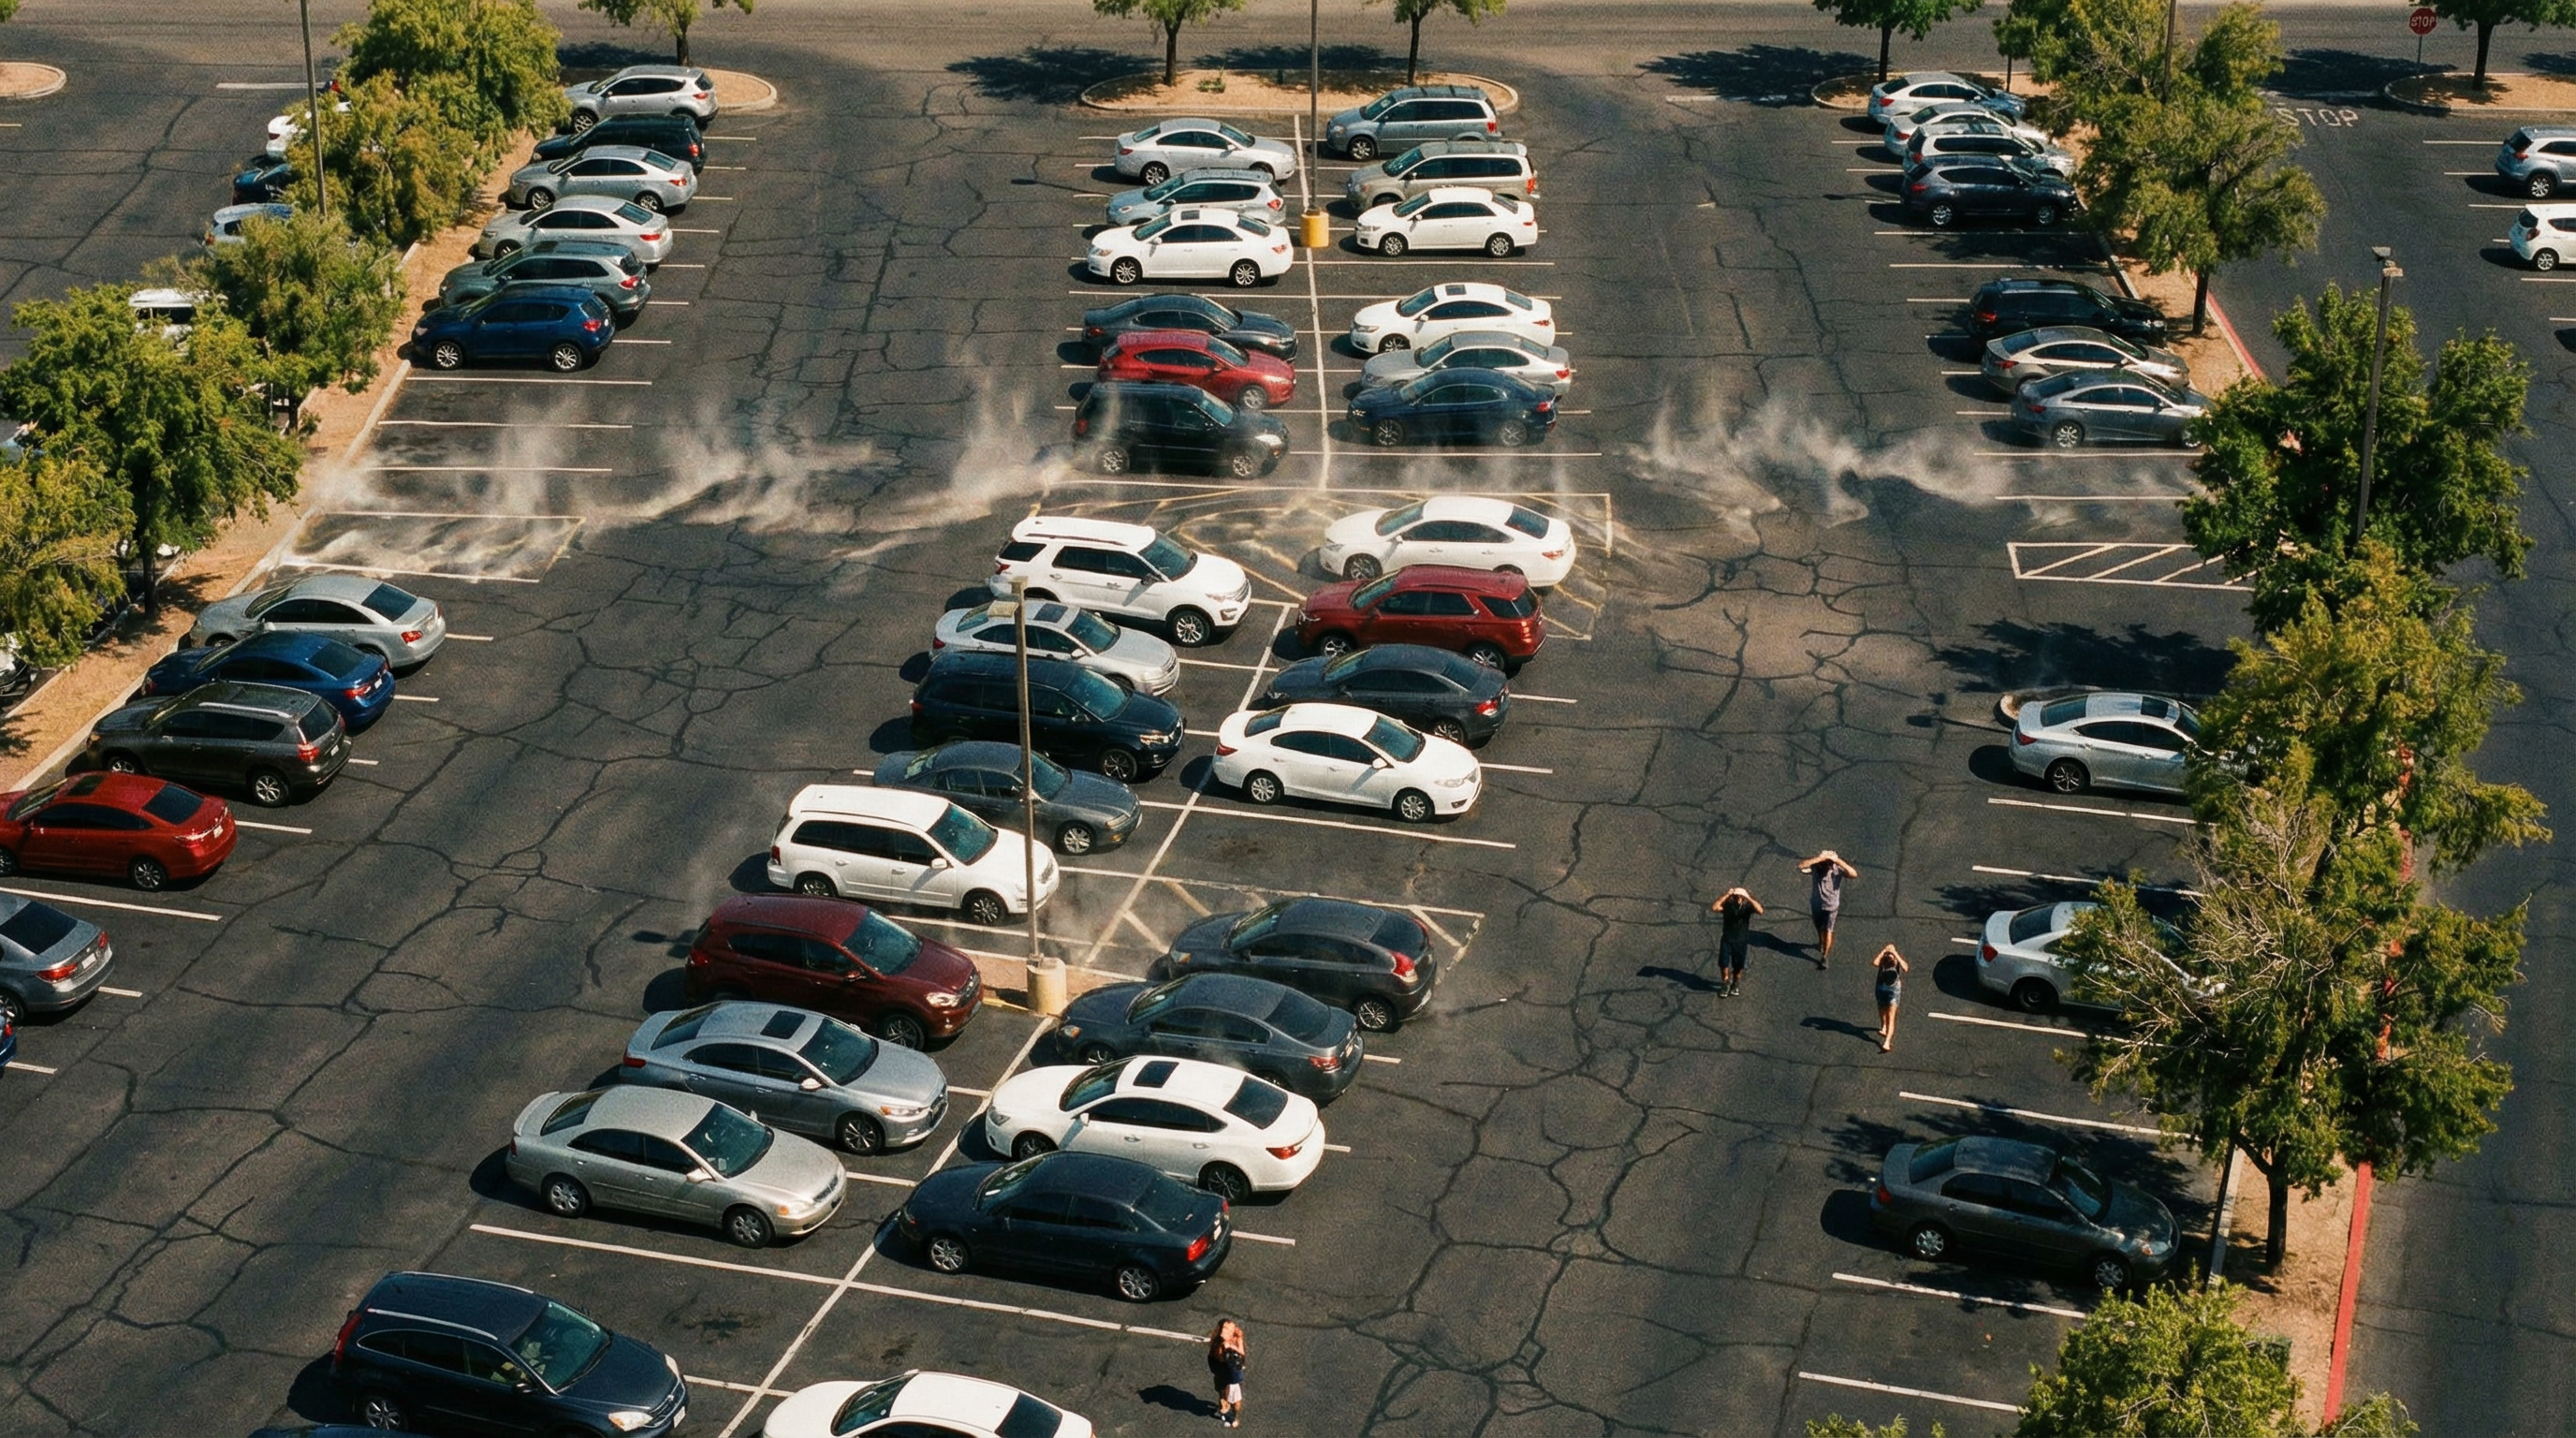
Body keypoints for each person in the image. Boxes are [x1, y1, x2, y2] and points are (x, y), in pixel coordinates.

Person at [1797, 850, 1858, 965]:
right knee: (1818, 926)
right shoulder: (1816, 867)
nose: (1826, 864)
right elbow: (1801, 866)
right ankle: (1821, 942)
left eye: (1828, 862)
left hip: (1831, 906)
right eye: (1825, 862)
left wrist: (1837, 860)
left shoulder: (1837, 870)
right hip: (1816, 904)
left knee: (1828, 929)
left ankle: (1824, 956)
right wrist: (1819, 858)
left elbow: (1853, 874)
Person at [1708, 886, 1764, 995]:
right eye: (1736, 896)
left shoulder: (1747, 907)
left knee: (1738, 966)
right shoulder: (1729, 905)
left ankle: (1735, 983)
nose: (1738, 898)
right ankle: (1725, 982)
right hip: (1727, 938)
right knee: (1723, 963)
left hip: (1741, 940)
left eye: (1740, 896)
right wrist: (1727, 894)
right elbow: (1715, 907)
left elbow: (1760, 911)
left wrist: (1748, 897)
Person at [1207, 1318, 1246, 1428]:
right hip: (1220, 1371)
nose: (1225, 1331)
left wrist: (1231, 1347)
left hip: (1233, 1375)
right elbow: (1216, 1357)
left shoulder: (1236, 1339)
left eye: (1228, 1329)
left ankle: (1235, 1415)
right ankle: (1222, 1401)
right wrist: (1223, 1346)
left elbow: (1242, 1353)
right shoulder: (1218, 1343)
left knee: (1236, 1401)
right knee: (1221, 1389)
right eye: (1224, 1328)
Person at [1872, 943, 1910, 1053]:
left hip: (1893, 990)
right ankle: (1883, 1026)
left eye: (1891, 955)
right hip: (1881, 988)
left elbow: (1906, 968)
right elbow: (1875, 962)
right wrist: (1883, 952)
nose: (1890, 957)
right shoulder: (1882, 962)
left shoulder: (1896, 962)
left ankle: (1887, 1042)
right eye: (1889, 955)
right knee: (1881, 1009)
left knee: (1891, 1016)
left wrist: (1895, 953)